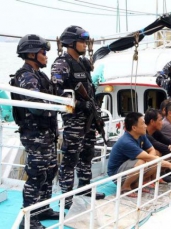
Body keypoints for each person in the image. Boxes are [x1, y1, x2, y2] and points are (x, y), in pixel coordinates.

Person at [51, 25, 105, 208]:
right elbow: (57, 91)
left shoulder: (82, 63)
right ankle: (66, 196)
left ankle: (84, 188)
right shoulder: (61, 63)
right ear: (71, 43)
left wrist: (93, 106)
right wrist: (81, 104)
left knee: (87, 154)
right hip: (74, 119)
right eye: (82, 41)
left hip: (88, 117)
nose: (85, 44)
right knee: (70, 158)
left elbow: (88, 88)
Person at [13, 34, 59, 229]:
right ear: (31, 54)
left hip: (46, 133)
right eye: (43, 52)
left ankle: (43, 208)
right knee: (36, 174)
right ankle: (29, 217)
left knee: (49, 171)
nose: (46, 56)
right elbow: (36, 106)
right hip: (34, 134)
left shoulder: (40, 76)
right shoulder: (26, 76)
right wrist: (56, 104)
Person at [107, 112, 171, 197]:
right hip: (117, 175)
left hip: (128, 169)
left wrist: (150, 160)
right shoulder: (126, 141)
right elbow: (147, 157)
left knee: (154, 156)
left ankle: (136, 184)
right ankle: (125, 187)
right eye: (143, 123)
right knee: (142, 161)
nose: (146, 126)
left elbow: (152, 150)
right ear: (134, 128)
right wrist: (170, 165)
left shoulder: (141, 135)